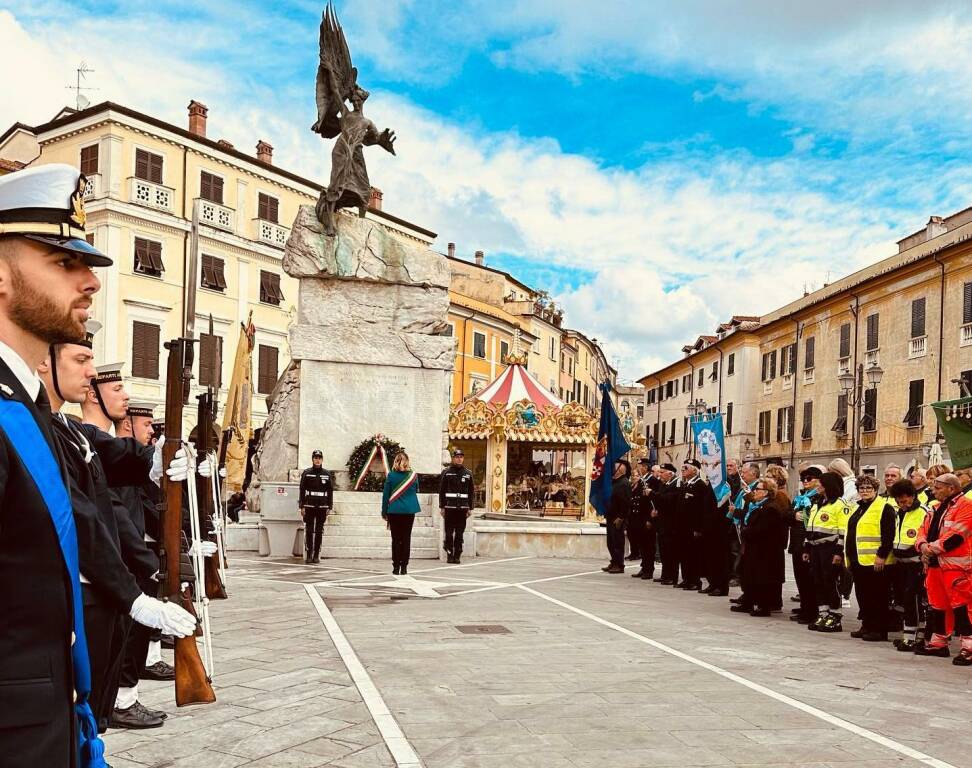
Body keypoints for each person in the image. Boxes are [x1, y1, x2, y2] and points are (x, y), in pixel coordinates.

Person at [915, 473, 972, 662]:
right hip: (934, 566)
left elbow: (957, 536)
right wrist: (922, 546)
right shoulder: (935, 508)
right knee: (938, 606)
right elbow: (921, 531)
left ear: (951, 488)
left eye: (937, 487)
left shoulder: (966, 506)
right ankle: (939, 643)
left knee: (963, 607)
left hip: (957, 567)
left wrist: (929, 549)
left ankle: (969, 646)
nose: (933, 490)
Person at [844, 475, 896, 641]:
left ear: (875, 490)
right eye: (861, 488)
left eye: (868, 488)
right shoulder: (858, 507)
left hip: (876, 562)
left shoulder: (884, 508)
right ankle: (866, 625)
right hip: (858, 560)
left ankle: (878, 630)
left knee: (878, 597)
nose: (864, 491)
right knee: (863, 596)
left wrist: (881, 555)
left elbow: (889, 535)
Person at [803, 471, 852, 633]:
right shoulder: (817, 503)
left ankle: (835, 615)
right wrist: (807, 548)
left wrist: (839, 552)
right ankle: (823, 612)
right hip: (816, 548)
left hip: (830, 549)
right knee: (818, 581)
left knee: (830, 581)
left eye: (821, 484)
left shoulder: (840, 505)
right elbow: (810, 527)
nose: (818, 486)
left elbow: (843, 531)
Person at [887, 478, 930, 652]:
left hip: (916, 564)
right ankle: (909, 634)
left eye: (904, 501)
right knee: (904, 600)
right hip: (901, 564)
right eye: (898, 501)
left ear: (912, 496)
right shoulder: (899, 512)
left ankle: (916, 636)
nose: (901, 504)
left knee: (915, 600)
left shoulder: (924, 512)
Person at [738, 478, 787, 616]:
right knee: (751, 575)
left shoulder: (770, 508)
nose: (754, 492)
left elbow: (763, 530)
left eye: (757, 489)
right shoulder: (758, 505)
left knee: (763, 578)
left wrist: (746, 531)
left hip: (765, 550)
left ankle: (763, 606)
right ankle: (751, 601)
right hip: (755, 548)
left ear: (766, 492)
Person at [789, 466, 823, 624]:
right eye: (803, 479)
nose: (805, 482)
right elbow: (787, 515)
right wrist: (793, 515)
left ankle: (811, 611)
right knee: (800, 578)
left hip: (808, 542)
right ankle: (804, 607)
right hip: (797, 541)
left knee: (809, 580)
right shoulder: (800, 498)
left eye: (809, 479)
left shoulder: (818, 497)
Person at [677, 459, 715, 591]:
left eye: (686, 468)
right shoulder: (685, 484)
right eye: (682, 468)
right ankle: (686, 579)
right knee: (684, 554)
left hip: (693, 527)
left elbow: (701, 509)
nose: (683, 471)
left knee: (693, 555)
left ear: (695, 470)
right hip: (683, 526)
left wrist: (698, 528)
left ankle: (695, 580)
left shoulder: (700, 485)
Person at [382, 451, 420, 575]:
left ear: (395, 461)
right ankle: (404, 567)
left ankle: (395, 567)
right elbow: (417, 490)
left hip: (394, 511)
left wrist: (384, 511)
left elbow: (386, 496)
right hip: (409, 511)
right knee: (406, 538)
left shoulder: (391, 476)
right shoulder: (413, 476)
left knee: (396, 539)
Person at [439, 448, 474, 563]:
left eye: (461, 457)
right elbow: (442, 490)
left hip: (462, 508)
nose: (459, 459)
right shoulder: (446, 472)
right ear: (453, 458)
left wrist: (470, 508)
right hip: (449, 508)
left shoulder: (468, 474)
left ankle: (457, 554)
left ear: (463, 458)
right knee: (449, 533)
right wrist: (442, 507)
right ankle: (449, 553)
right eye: (457, 457)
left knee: (459, 533)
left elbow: (471, 492)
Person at [298, 449, 333, 563]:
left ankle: (316, 554)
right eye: (315, 458)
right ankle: (309, 554)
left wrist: (329, 506)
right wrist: (302, 506)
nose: (317, 460)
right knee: (309, 530)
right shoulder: (307, 473)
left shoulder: (327, 474)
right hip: (309, 505)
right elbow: (302, 490)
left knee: (318, 531)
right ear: (312, 459)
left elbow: (330, 491)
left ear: (322, 459)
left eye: (319, 458)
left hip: (322, 506)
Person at [602, 459, 631, 573]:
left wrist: (621, 517)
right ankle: (614, 561)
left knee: (617, 541)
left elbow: (626, 502)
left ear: (621, 470)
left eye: (614, 468)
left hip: (618, 517)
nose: (612, 470)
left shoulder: (624, 483)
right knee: (611, 541)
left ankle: (619, 564)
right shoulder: (614, 482)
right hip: (610, 516)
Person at [653, 463, 680, 584]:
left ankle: (672, 576)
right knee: (663, 550)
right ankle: (665, 574)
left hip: (671, 524)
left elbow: (669, 500)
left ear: (670, 473)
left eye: (662, 472)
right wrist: (656, 510)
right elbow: (660, 501)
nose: (660, 474)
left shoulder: (676, 484)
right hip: (662, 522)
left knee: (671, 551)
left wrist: (653, 494)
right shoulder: (662, 484)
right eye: (659, 472)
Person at [630, 460, 657, 580]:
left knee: (648, 545)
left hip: (646, 518)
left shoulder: (652, 481)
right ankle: (644, 567)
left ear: (645, 467)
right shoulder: (642, 480)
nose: (639, 468)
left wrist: (650, 520)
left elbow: (652, 503)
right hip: (639, 517)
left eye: (640, 466)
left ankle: (649, 569)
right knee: (642, 544)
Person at [725, 459, 743, 586]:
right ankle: (729, 572)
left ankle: (736, 575)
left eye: (731, 465)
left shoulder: (740, 482)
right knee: (730, 549)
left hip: (737, 520)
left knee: (736, 549)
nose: (728, 467)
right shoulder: (725, 479)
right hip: (728, 518)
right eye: (727, 465)